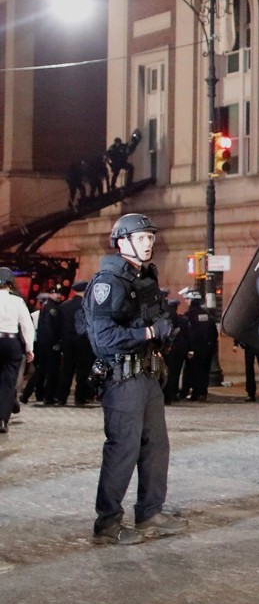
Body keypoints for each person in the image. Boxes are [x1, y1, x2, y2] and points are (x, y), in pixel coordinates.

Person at [84, 213, 188, 545]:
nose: (148, 244)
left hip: (146, 373)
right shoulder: (108, 281)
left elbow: (154, 319)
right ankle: (108, 523)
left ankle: (150, 512)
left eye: (150, 238)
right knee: (122, 449)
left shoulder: (145, 278)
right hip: (121, 376)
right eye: (141, 238)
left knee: (156, 447)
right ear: (122, 242)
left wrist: (164, 333)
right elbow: (103, 339)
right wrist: (147, 332)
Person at [0, 268, 35, 433]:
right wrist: (29, 348)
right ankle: (2, 420)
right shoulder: (17, 301)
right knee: (7, 383)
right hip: (10, 341)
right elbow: (27, 325)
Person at [58, 281, 95, 406]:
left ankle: (61, 397)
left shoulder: (64, 306)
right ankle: (80, 397)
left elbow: (59, 326)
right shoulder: (89, 307)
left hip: (67, 343)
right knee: (83, 371)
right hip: (84, 343)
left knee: (66, 370)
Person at [24, 292, 63, 405]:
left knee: (41, 370)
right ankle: (47, 396)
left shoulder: (44, 309)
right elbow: (51, 329)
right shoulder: (52, 309)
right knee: (50, 371)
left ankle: (29, 394)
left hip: (41, 343)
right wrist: (55, 342)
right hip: (49, 345)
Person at [181, 290, 217, 402]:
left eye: (187, 299)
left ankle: (189, 393)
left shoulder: (189, 315)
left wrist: (188, 348)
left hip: (194, 349)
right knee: (204, 371)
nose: (186, 301)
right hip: (207, 349)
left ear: (191, 301)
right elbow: (214, 333)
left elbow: (187, 333)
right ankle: (202, 393)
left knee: (191, 371)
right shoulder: (207, 314)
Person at [162, 298, 188, 405]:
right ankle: (173, 394)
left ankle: (167, 395)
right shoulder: (181, 320)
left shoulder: (165, 318)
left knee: (167, 373)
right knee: (175, 373)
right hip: (178, 350)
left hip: (168, 349)